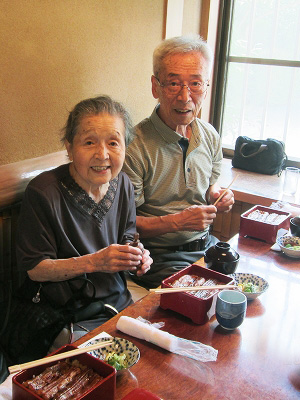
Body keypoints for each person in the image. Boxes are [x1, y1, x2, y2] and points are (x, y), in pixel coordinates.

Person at [15, 95, 153, 348]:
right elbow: (35, 269)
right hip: (67, 314)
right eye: (89, 142)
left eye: (113, 143)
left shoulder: (123, 184)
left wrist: (137, 257)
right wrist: (94, 262)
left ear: (125, 147)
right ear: (69, 147)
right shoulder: (43, 192)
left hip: (117, 302)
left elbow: (127, 237)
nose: (102, 155)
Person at [123, 35, 234, 290]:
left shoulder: (209, 136)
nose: (185, 97)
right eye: (173, 84)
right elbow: (126, 223)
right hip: (159, 258)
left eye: (195, 84)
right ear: (155, 86)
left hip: (206, 245)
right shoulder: (135, 145)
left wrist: (217, 195)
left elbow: (209, 189)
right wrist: (178, 222)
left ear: (206, 87)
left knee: (244, 287)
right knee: (201, 299)